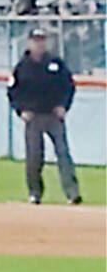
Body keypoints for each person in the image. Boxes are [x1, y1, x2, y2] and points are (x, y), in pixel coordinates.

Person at [7, 27, 81, 205]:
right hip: (33, 117)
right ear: (29, 43)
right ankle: (34, 193)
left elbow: (68, 86)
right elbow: (12, 91)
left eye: (42, 40)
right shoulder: (22, 67)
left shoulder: (55, 63)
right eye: (36, 40)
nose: (39, 44)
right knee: (34, 156)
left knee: (63, 153)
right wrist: (21, 110)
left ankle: (72, 193)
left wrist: (63, 106)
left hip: (53, 115)